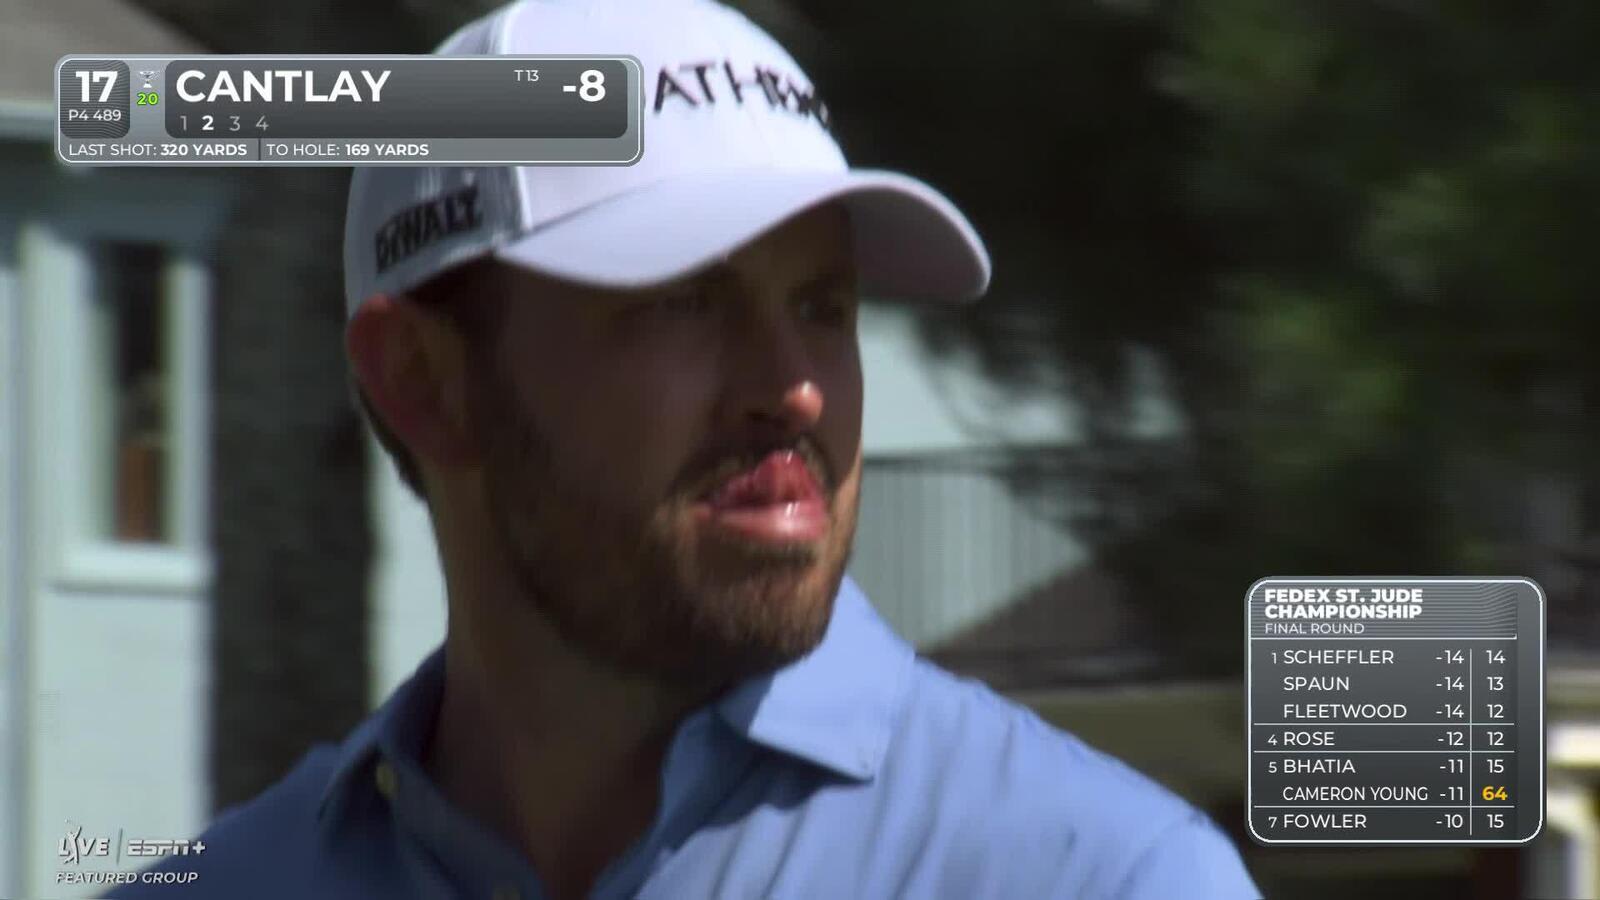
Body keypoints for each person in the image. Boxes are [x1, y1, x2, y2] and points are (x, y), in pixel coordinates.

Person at [115, 0, 1260, 897]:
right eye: (683, 302)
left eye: (823, 304)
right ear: (423, 383)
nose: (795, 390)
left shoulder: (1104, 877)